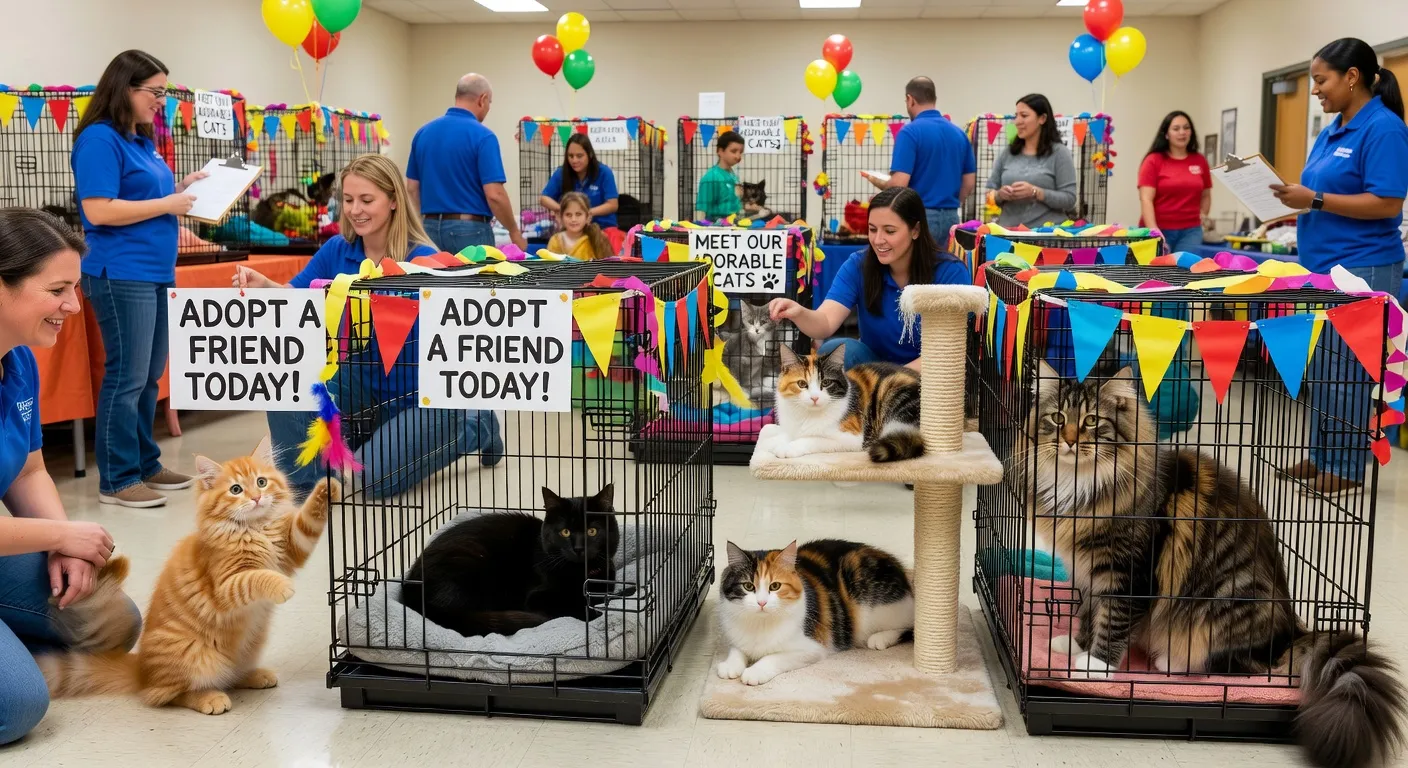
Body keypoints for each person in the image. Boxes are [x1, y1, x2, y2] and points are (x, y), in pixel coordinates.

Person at [234, 155, 505, 501]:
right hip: (359, 385)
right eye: (348, 200)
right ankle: (308, 483)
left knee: (375, 480)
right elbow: (294, 298)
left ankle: (475, 426)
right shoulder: (337, 250)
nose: (355, 210)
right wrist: (265, 285)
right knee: (285, 375)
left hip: (421, 398)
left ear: (393, 201)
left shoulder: (423, 260)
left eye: (366, 200)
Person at [0, 208, 141, 745]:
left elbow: (30, 469)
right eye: (57, 289)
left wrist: (69, 552)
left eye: (75, 288)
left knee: (113, 624)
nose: (74, 306)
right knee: (18, 706)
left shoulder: (19, 362)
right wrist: (59, 534)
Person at [1270, 37, 1408, 494]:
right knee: (1323, 369)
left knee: (1348, 371)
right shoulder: (1332, 130)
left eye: (1321, 80)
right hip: (1321, 267)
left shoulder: (1383, 129)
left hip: (1363, 267)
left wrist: (1317, 199)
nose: (1315, 90)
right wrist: (1299, 203)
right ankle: (1321, 456)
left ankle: (1346, 468)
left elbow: (1388, 204)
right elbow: (1323, 196)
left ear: (1352, 77)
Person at [73, 50, 209, 509]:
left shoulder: (141, 141)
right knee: (126, 377)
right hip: (119, 272)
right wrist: (166, 205)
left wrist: (180, 189)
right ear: (124, 88)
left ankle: (146, 463)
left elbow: (144, 198)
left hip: (153, 271)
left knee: (149, 376)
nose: (160, 101)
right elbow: (98, 209)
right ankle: (118, 478)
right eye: (154, 92)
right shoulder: (99, 139)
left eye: (164, 93)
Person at [767, 187, 970, 370]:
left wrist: (893, 379)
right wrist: (798, 312)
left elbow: (949, 348)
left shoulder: (949, 272)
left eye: (889, 231)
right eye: (872, 229)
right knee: (835, 349)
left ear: (915, 230)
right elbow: (826, 321)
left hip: (930, 373)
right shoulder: (858, 265)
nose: (878, 240)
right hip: (876, 371)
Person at [407, 73, 526, 255]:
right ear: (483, 99)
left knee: (433, 283)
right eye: (490, 103)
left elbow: (412, 189)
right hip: (470, 232)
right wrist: (514, 231)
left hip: (428, 228)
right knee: (475, 283)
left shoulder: (423, 133)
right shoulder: (484, 136)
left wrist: (419, 225)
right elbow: (495, 195)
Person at [865, 76, 975, 245]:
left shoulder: (909, 132)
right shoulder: (959, 134)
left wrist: (879, 183)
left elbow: (899, 183)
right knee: (943, 268)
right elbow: (969, 183)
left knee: (916, 270)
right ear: (934, 99)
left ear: (910, 99)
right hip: (952, 218)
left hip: (919, 218)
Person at [986, 94, 1078, 229]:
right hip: (1007, 234)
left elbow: (1069, 200)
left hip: (1046, 235)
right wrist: (1000, 194)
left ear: (1042, 118)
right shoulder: (1007, 153)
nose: (1017, 121)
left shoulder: (1059, 153)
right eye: (1016, 116)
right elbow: (989, 193)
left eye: (1024, 116)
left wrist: (1036, 192)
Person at [1138, 111, 1212, 254]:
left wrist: (1203, 216)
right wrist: (1154, 231)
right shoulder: (1153, 160)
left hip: (1191, 231)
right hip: (1159, 228)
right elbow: (1146, 199)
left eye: (1186, 128)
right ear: (1166, 134)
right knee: (1158, 273)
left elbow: (1206, 194)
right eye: (1176, 129)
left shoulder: (1199, 160)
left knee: (1186, 272)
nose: (1182, 132)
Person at [539, 134, 619, 230]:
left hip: (602, 228)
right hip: (572, 229)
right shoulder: (561, 173)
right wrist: (564, 210)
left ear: (590, 155)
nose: (574, 160)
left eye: (579, 156)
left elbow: (613, 205)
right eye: (571, 156)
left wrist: (586, 213)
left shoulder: (604, 172)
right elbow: (544, 198)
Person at [546, 192, 613, 261]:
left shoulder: (598, 238)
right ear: (561, 217)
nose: (573, 219)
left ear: (588, 217)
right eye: (568, 215)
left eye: (578, 214)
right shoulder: (555, 241)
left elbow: (608, 266)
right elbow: (550, 268)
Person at [697, 131, 745, 221]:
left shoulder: (733, 175)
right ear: (720, 151)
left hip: (734, 225)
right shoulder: (711, 178)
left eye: (740, 152)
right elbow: (702, 211)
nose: (738, 156)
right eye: (734, 151)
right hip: (717, 228)